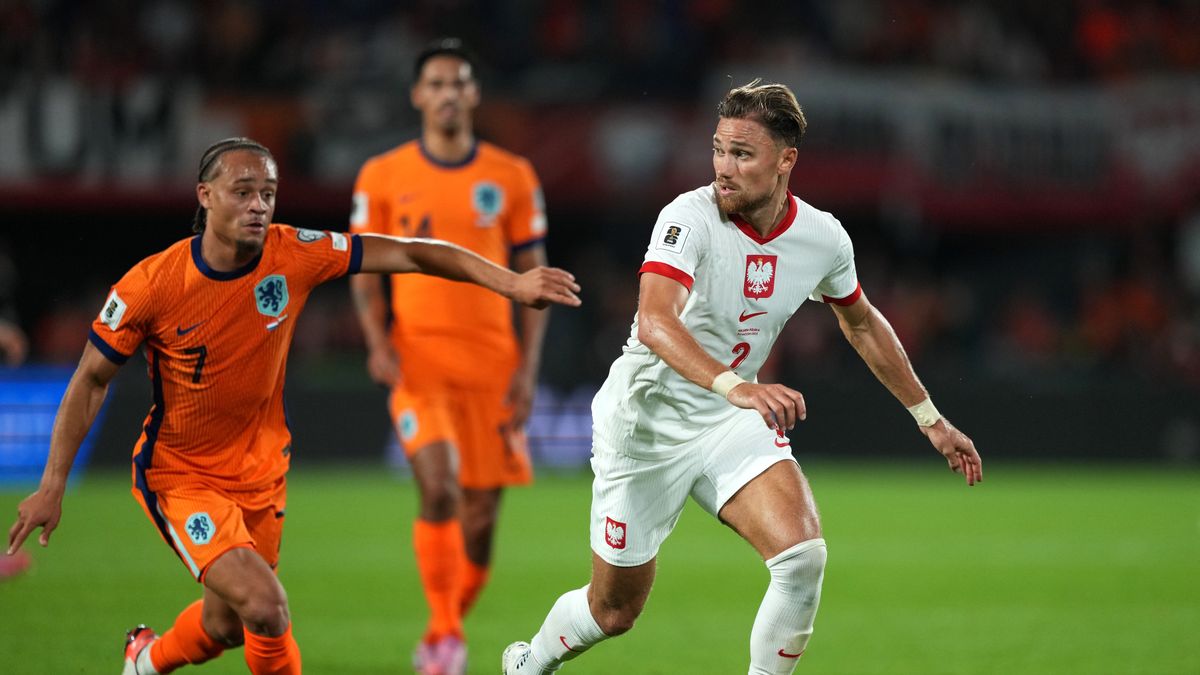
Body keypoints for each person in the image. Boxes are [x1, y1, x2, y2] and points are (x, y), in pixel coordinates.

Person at [5, 137, 581, 675]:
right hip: (182, 475)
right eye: (243, 191)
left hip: (262, 471)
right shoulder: (151, 285)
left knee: (224, 625)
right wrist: (54, 483)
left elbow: (411, 253)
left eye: (268, 193)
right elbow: (89, 380)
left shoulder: (295, 253)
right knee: (267, 606)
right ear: (205, 197)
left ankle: (145, 661)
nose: (259, 205)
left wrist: (509, 283)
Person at [501, 80, 982, 675]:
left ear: (786, 161)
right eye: (719, 149)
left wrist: (929, 419)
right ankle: (529, 664)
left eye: (742, 154)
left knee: (802, 557)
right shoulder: (688, 217)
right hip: (645, 424)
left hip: (731, 419)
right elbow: (654, 321)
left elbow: (860, 323)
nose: (723, 169)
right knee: (613, 612)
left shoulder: (823, 237)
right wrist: (739, 385)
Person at [348, 38, 554, 673]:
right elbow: (362, 270)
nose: (446, 94)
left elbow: (533, 273)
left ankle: (447, 626)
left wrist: (527, 370)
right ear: (417, 95)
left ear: (473, 94)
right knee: (437, 489)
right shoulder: (380, 176)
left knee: (482, 520)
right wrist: (378, 341)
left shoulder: (512, 174)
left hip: (494, 366)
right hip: (419, 365)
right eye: (434, 83)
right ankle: (443, 638)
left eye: (457, 83)